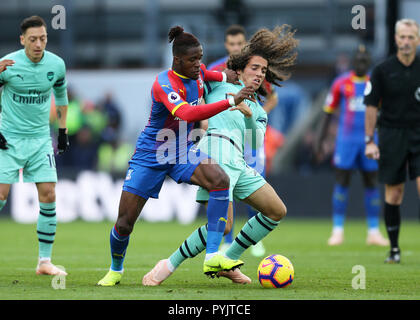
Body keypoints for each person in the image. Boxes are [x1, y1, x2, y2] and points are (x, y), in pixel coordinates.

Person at [97, 26, 256, 286]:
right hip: (152, 153)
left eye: (200, 58)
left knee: (220, 179)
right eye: (193, 59)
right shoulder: (164, 83)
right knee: (124, 223)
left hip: (181, 150)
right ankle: (116, 270)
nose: (198, 64)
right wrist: (230, 101)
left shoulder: (200, 73)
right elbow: (186, 114)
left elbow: (223, 75)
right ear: (177, 60)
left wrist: (246, 75)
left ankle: (213, 255)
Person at [142, 25, 298, 286]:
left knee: (276, 211)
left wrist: (248, 116)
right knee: (223, 226)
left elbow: (255, 142)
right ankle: (167, 265)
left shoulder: (258, 109)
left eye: (262, 70)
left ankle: (230, 258)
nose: (259, 74)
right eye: (254, 68)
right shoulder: (218, 85)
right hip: (214, 153)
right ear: (239, 69)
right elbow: (196, 77)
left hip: (238, 161)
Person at [0, 16, 69, 276]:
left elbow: (61, 97)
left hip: (40, 140)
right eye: (33, 39)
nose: (38, 44)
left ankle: (44, 262)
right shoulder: (7, 64)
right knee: (1, 196)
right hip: (8, 138)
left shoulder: (57, 65)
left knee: (49, 194)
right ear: (22, 40)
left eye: (43, 38)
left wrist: (62, 132)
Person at [207, 24, 279, 257]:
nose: (236, 47)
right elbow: (202, 95)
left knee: (254, 185)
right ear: (227, 45)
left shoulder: (256, 70)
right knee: (226, 186)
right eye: (232, 44)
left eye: (240, 43)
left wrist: (256, 113)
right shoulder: (217, 70)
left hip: (248, 136)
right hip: (223, 138)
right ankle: (227, 240)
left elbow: (272, 97)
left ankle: (251, 236)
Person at [315, 46, 389, 246]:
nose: (362, 62)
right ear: (353, 61)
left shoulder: (376, 82)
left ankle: (373, 231)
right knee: (342, 182)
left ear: (370, 62)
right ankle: (337, 230)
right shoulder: (341, 83)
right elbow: (328, 112)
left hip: (369, 141)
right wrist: (319, 141)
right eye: (359, 59)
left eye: (365, 60)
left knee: (372, 182)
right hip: (346, 141)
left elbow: (386, 114)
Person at [364, 19, 420, 263]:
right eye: (402, 37)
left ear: (417, 39)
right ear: (396, 39)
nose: (406, 41)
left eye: (411, 37)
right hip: (391, 134)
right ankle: (394, 250)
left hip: (419, 132)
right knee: (394, 193)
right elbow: (371, 107)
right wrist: (370, 141)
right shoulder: (382, 70)